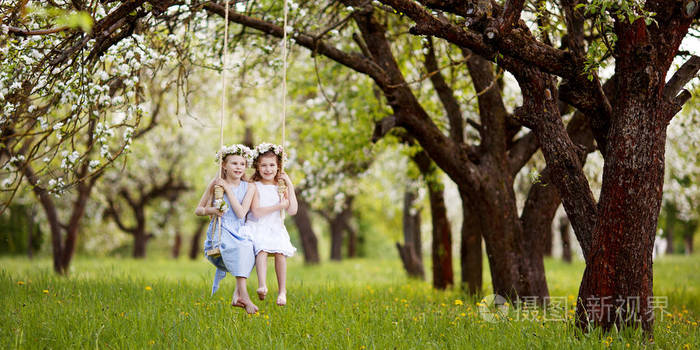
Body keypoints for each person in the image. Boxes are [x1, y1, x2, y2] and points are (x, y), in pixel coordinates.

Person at [195, 144, 258, 314]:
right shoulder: (216, 185)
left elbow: (241, 213)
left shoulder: (250, 187)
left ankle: (238, 296)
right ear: (224, 165)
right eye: (234, 163)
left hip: (239, 229)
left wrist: (228, 190)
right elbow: (198, 210)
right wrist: (213, 210)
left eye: (242, 164)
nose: (239, 167)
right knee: (239, 248)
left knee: (247, 247)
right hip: (221, 231)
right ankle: (243, 296)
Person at [242, 143, 297, 306]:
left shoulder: (280, 187)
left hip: (275, 226)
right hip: (257, 225)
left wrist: (290, 185)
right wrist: (279, 206)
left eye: (272, 165)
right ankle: (262, 285)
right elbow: (257, 212)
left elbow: (292, 210)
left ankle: (282, 291)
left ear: (278, 166)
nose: (268, 169)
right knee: (262, 249)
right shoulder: (254, 186)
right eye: (264, 165)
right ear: (257, 168)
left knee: (280, 253)